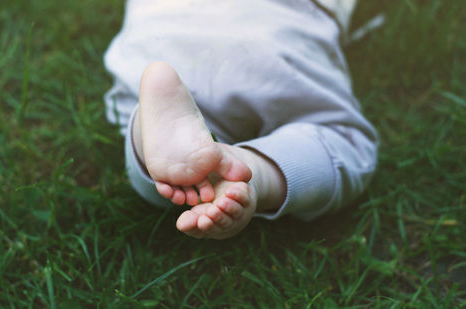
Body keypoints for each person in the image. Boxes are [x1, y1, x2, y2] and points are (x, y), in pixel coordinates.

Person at [103, 0, 378, 239]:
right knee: (342, 139)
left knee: (139, 116)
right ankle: (254, 171)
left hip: (161, 33)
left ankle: (144, 136)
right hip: (275, 30)